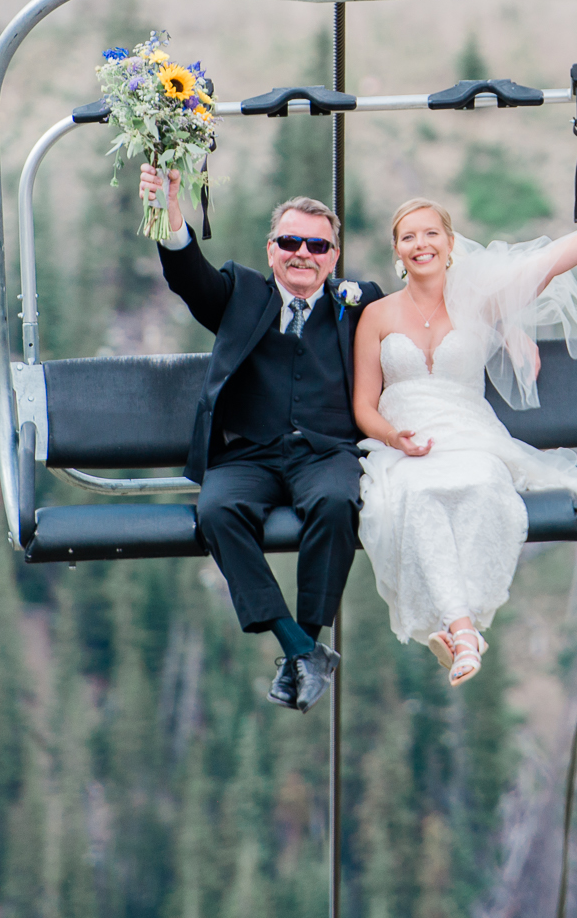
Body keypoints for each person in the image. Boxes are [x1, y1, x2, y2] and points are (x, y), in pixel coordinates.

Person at [351, 174, 577, 685]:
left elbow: (546, 263)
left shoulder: (478, 302)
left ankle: (458, 625)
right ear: (396, 249)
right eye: (408, 236)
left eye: (431, 233)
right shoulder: (376, 316)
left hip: (467, 433)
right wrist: (394, 438)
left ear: (451, 244)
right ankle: (464, 632)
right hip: (405, 442)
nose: (421, 244)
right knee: (412, 495)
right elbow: (364, 406)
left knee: (483, 484)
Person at [139, 163, 422, 713]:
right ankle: (298, 647)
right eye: (290, 242)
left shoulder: (357, 302)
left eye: (317, 246)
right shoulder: (241, 294)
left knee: (339, 502)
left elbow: (422, 318)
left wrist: (506, 337)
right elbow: (187, 273)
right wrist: (170, 209)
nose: (303, 254)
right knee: (217, 511)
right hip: (248, 453)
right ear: (271, 250)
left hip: (325, 451)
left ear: (333, 257)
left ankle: (306, 642)